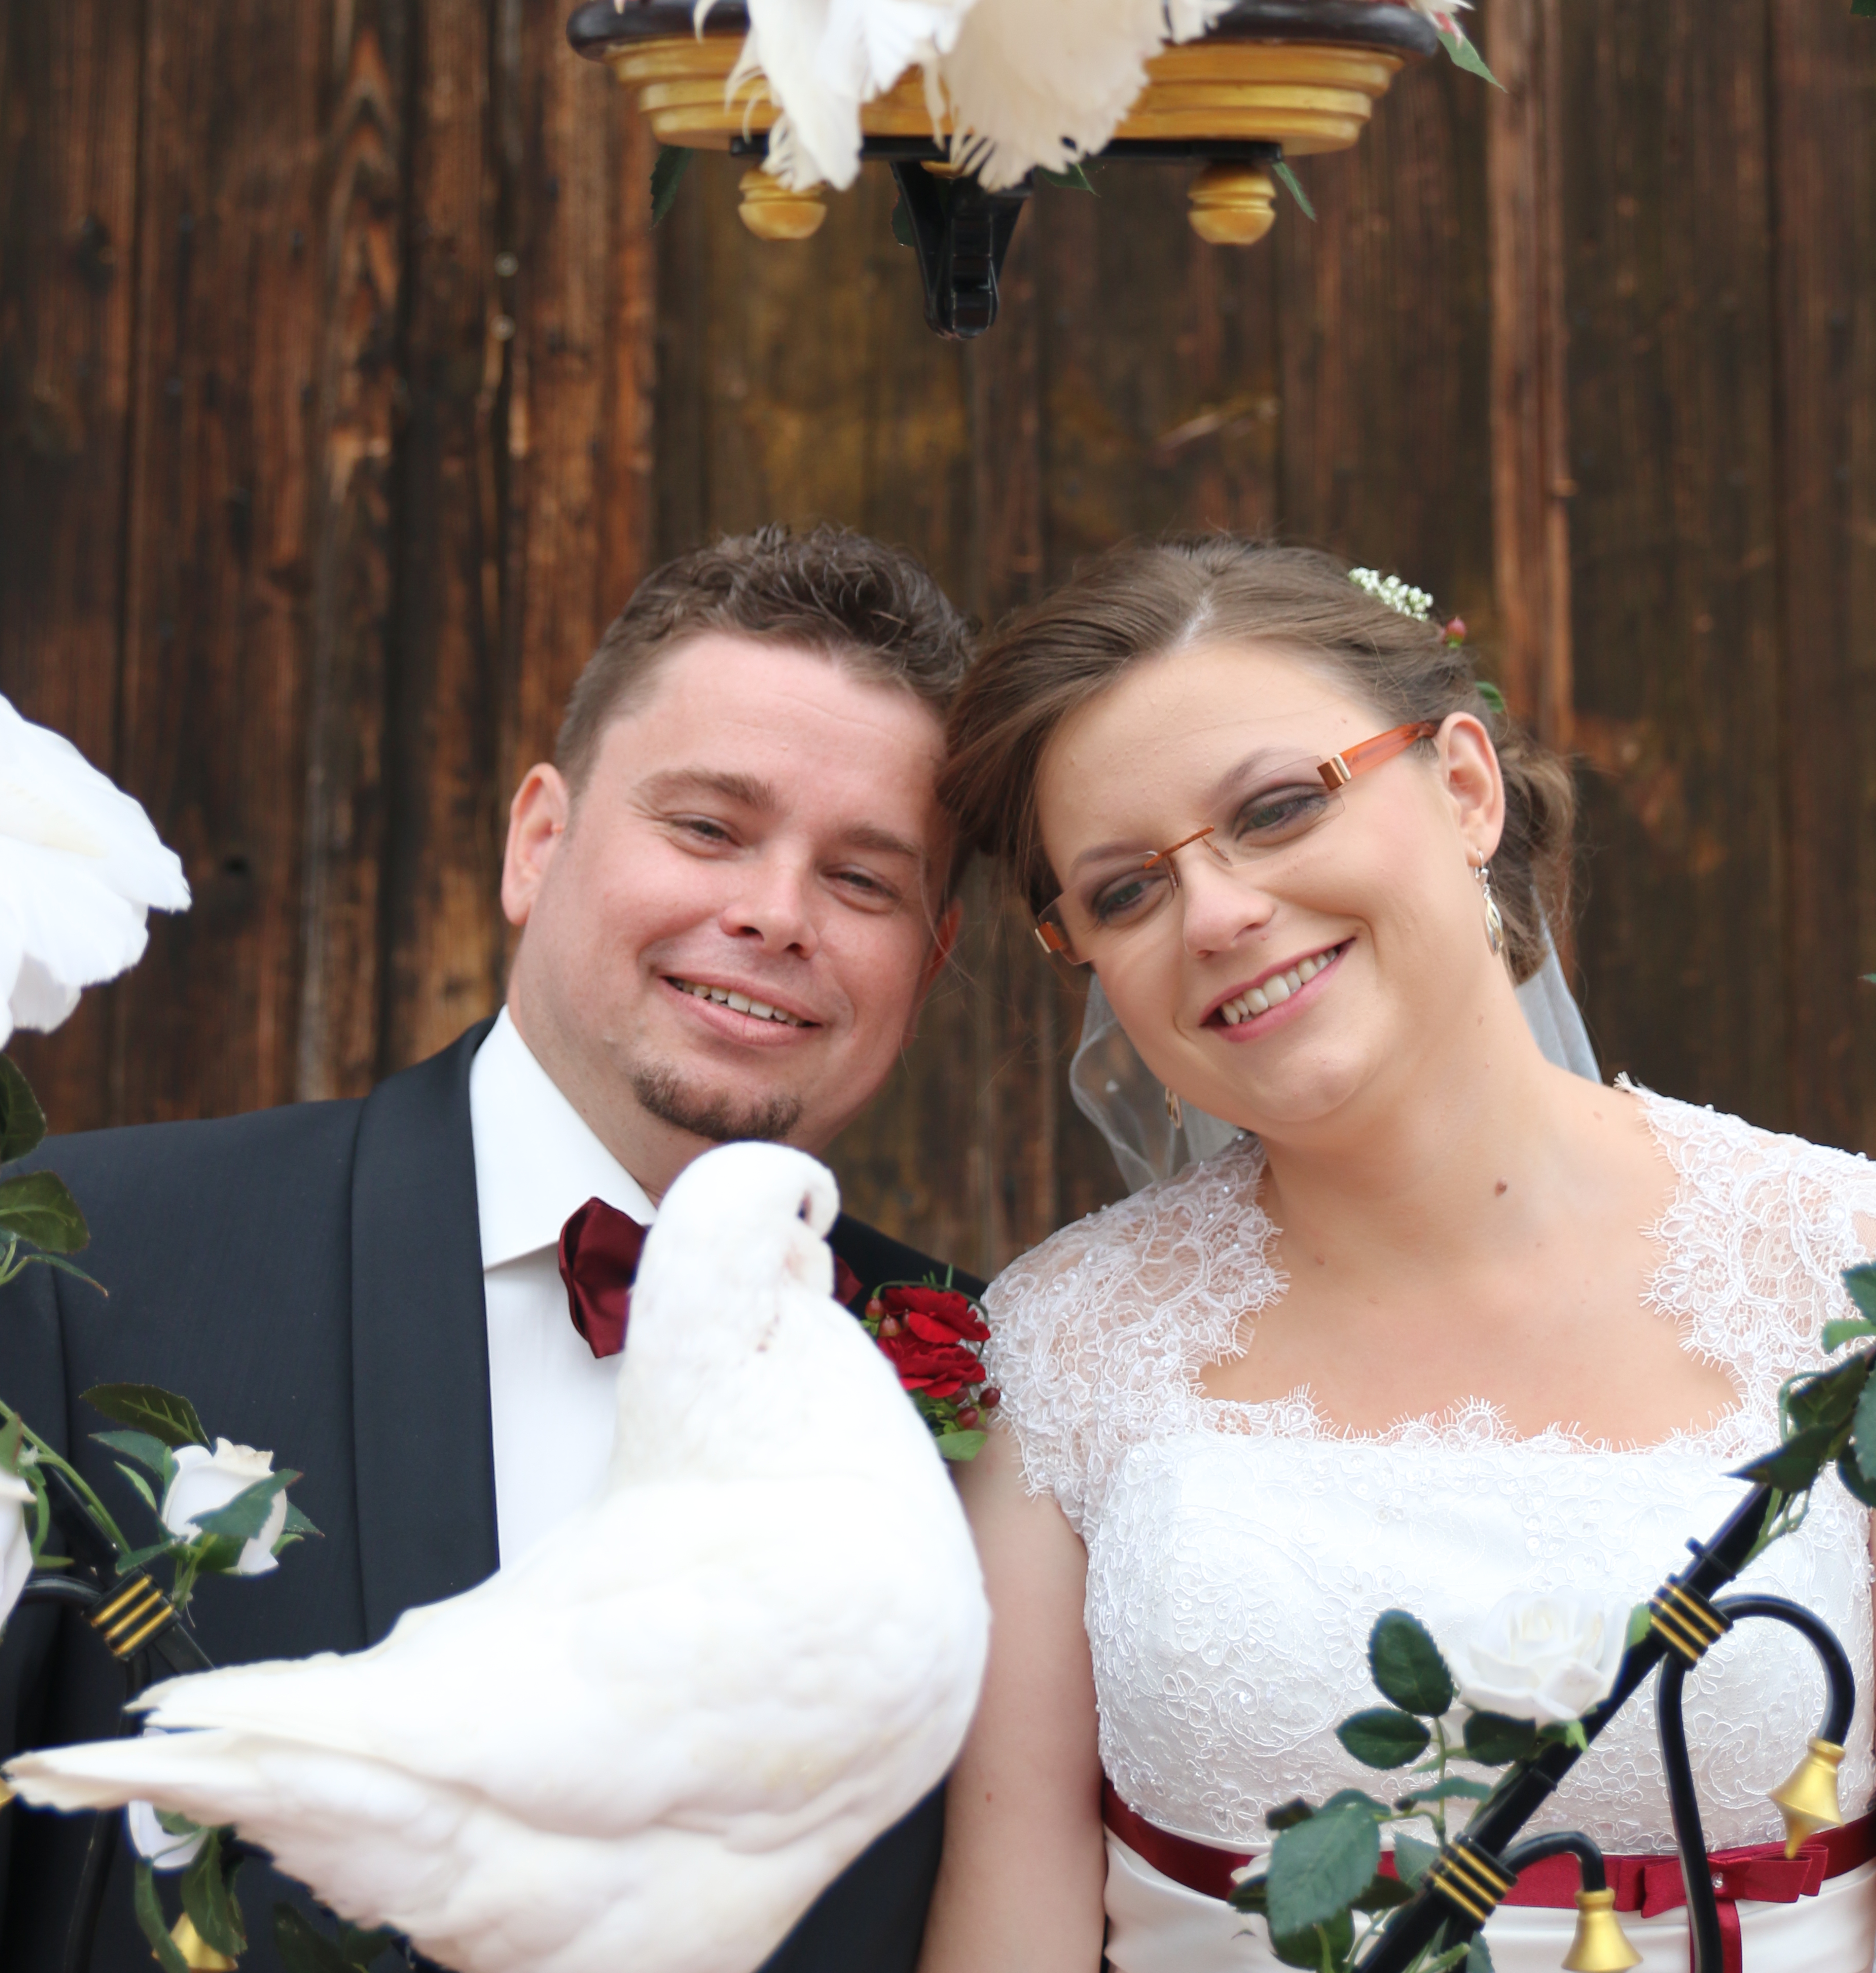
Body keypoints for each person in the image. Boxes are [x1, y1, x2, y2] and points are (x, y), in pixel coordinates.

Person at [0, 523, 979, 1973]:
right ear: (539, 843)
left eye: (864, 881)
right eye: (708, 828)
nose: (775, 914)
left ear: (928, 961)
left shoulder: (1004, 1394)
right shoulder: (81, 1264)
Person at [921, 534, 1876, 1973]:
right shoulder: (1062, 1353)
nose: (1218, 914)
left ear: (1466, 787)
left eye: (1278, 809)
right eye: (1125, 892)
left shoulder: (1845, 1272)